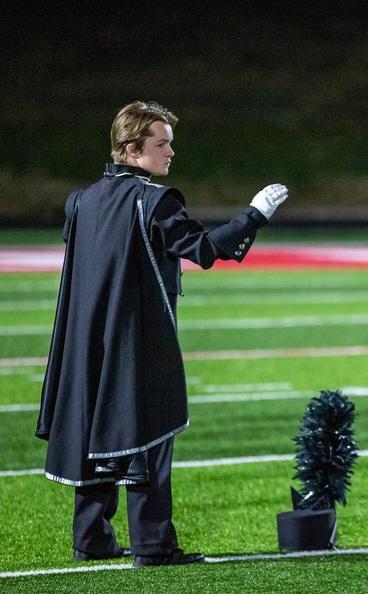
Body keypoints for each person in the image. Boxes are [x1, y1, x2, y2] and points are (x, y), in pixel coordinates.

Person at [35, 100, 288, 568]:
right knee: (147, 433)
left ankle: (91, 538)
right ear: (132, 149)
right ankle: (153, 547)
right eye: (162, 143)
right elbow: (206, 250)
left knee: (95, 426)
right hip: (135, 341)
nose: (170, 152)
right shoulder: (154, 200)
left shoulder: (81, 200)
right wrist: (254, 216)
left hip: (83, 341)